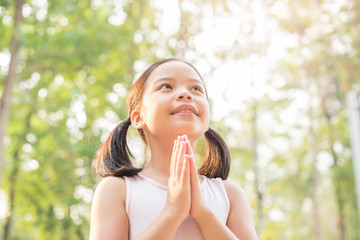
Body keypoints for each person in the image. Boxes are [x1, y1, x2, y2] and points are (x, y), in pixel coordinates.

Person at [89, 58, 258, 240]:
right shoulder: (118, 190)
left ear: (207, 120)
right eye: (166, 86)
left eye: (196, 89)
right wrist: (172, 211)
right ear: (138, 117)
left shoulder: (229, 195)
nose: (185, 94)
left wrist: (203, 213)